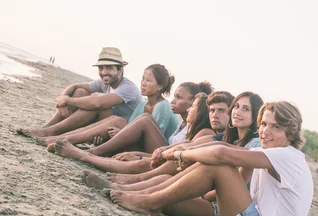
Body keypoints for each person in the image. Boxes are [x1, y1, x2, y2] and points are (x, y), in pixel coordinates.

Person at [109, 101, 314, 216]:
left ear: (291, 132)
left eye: (276, 127)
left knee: (220, 165)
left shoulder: (288, 157)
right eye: (263, 124)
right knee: (171, 190)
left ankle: (147, 203)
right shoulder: (271, 153)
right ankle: (133, 191)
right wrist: (194, 182)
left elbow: (221, 153)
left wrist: (176, 153)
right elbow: (233, 172)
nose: (265, 132)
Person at [50, 90, 216, 174]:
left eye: (192, 105)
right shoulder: (185, 126)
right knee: (121, 122)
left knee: (144, 120)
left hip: (163, 159)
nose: (175, 101)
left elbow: (175, 157)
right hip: (161, 155)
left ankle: (89, 153)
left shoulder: (201, 131)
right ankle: (66, 140)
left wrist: (137, 155)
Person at [41, 64, 181, 148]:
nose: (143, 83)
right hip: (135, 142)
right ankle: (62, 137)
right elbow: (129, 128)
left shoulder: (162, 106)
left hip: (153, 150)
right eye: (142, 79)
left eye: (148, 80)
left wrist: (120, 132)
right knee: (115, 120)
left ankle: (63, 139)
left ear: (160, 86)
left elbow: (153, 136)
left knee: (116, 120)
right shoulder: (143, 105)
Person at [19, 47, 142, 137]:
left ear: (120, 70)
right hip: (103, 125)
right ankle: (46, 128)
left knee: (97, 106)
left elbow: (98, 104)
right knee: (80, 91)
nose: (104, 72)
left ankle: (51, 132)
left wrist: (68, 100)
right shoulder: (105, 82)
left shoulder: (128, 88)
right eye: (101, 68)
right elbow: (75, 86)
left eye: (109, 68)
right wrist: (63, 98)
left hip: (119, 132)